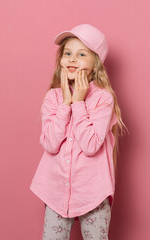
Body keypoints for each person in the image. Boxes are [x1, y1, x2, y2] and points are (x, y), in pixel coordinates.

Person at [30, 24, 128, 240]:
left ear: (96, 65)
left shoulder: (103, 99)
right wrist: (66, 103)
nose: (72, 59)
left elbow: (91, 145)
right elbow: (50, 144)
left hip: (93, 192)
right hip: (55, 191)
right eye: (67, 53)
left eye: (81, 54)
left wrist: (78, 102)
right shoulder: (53, 98)